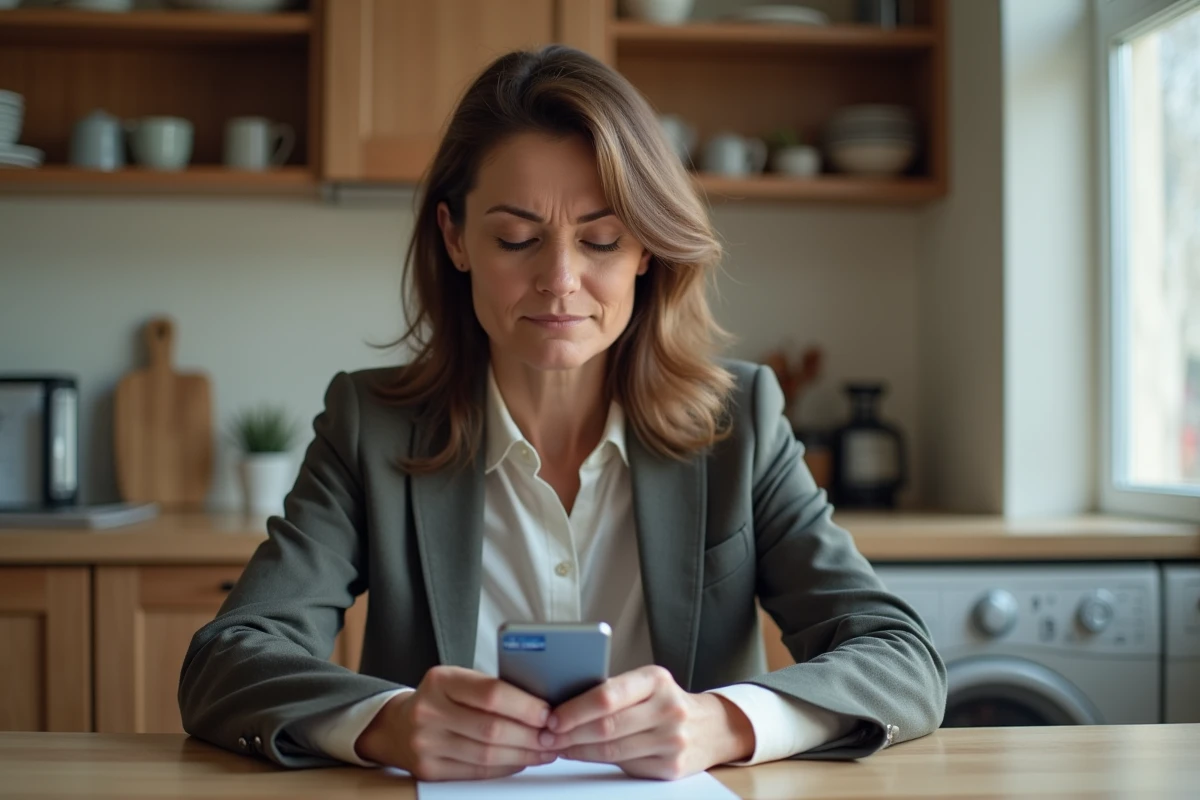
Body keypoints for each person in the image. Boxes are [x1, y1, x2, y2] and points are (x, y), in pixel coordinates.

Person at [179, 44, 946, 782]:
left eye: (602, 239)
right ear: (455, 238)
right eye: (517, 238)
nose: (560, 280)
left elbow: (901, 660)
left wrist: (723, 722)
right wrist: (390, 723)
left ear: (646, 248)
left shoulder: (740, 421)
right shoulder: (370, 423)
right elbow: (228, 659)